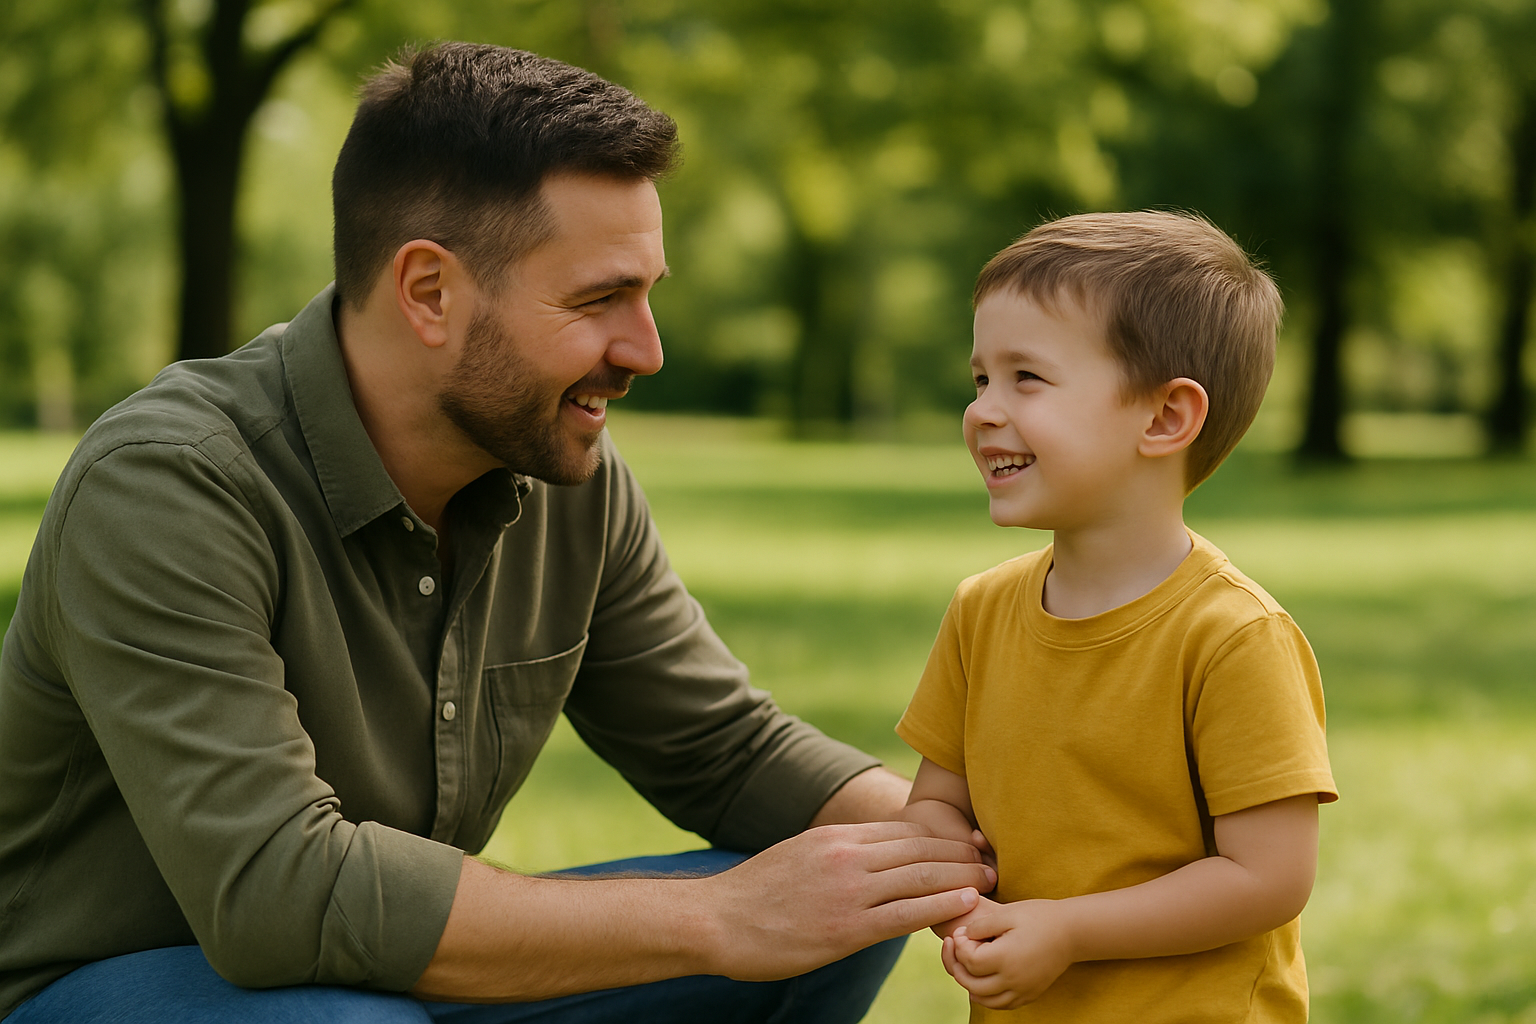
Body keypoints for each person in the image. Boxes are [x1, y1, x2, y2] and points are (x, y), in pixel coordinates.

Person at [0, 43, 995, 1023]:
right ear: (429, 291)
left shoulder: (566, 477)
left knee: (850, 900)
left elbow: (724, 749)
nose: (646, 349)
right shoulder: (170, 483)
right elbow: (275, 891)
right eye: (601, 298)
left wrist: (991, 848)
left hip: (376, 970)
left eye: (649, 293)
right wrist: (721, 916)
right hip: (102, 981)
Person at [894, 211, 1339, 1021]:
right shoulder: (981, 612)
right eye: (980, 379)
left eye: (1026, 378)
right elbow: (937, 806)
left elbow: (1267, 878)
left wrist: (1068, 931)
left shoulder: (1231, 637)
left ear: (1165, 417)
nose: (985, 410)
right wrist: (950, 880)